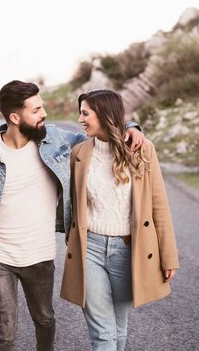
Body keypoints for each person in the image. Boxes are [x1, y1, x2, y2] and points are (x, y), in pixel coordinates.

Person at [0, 80, 147, 351]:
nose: (44, 114)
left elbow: (101, 131)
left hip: (40, 255)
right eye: (37, 110)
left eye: (42, 107)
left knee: (44, 319)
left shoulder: (56, 140)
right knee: (4, 333)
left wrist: (131, 127)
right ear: (15, 117)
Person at [60, 89, 179, 350]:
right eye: (80, 112)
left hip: (128, 251)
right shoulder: (78, 153)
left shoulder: (142, 150)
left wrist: (168, 256)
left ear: (103, 114)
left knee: (119, 327)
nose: (80, 119)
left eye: (85, 113)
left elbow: (159, 206)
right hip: (88, 249)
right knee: (103, 333)